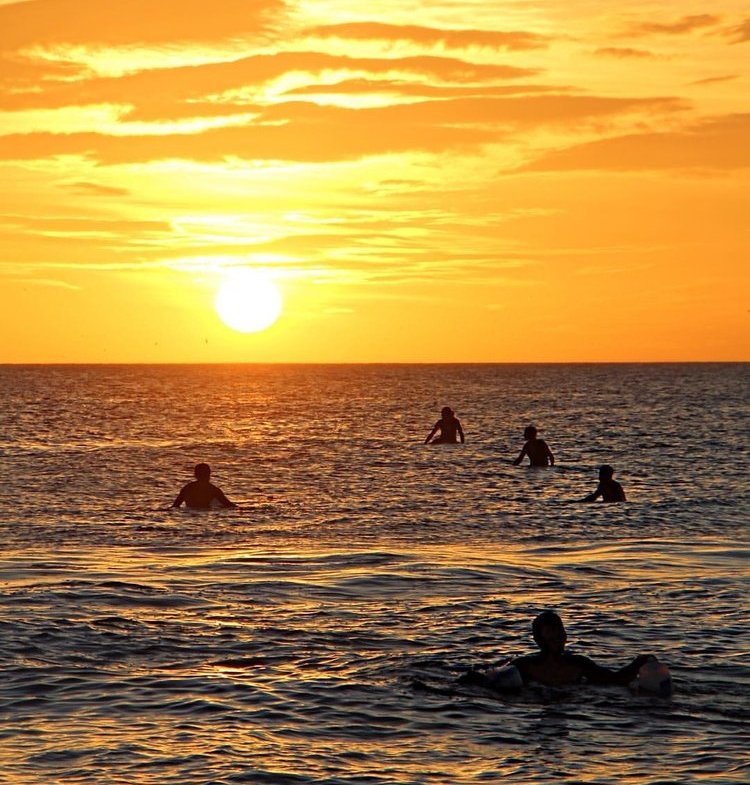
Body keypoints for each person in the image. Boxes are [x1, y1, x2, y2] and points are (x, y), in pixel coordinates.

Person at [459, 610, 653, 690]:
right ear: (539, 640)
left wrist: (639, 662)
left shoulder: (578, 664)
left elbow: (615, 680)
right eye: (551, 634)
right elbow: (486, 682)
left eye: (560, 632)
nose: (558, 638)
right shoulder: (524, 666)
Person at [172, 463, 238, 509]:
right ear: (209, 474)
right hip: (205, 514)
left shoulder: (188, 487)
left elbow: (175, 506)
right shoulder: (213, 489)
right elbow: (228, 505)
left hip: (189, 514)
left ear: (195, 474)